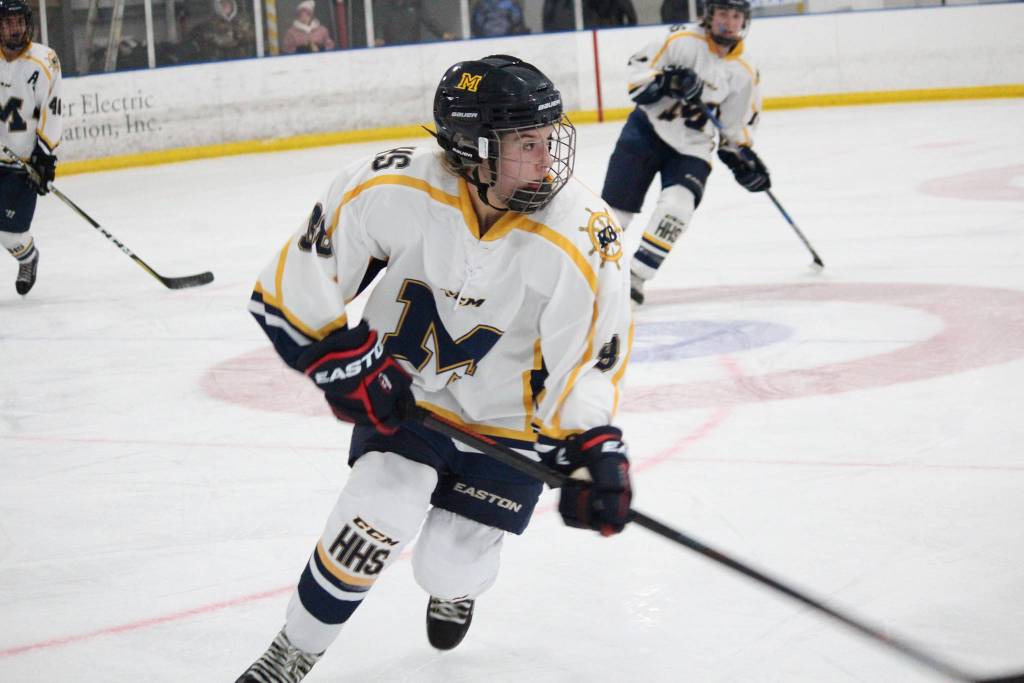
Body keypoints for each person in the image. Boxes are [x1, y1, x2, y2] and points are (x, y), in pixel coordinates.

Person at [235, 54, 634, 682]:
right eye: (526, 143)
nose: (548, 158)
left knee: (445, 563)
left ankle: (457, 585)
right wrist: (346, 364)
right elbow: (295, 284)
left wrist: (590, 447)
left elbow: (585, 361)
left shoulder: (583, 234)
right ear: (473, 149)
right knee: (379, 505)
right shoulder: (390, 187)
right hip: (409, 400)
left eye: (549, 139)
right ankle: (295, 649)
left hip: (507, 424)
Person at [600, 0, 768, 305]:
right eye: (723, 14)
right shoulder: (680, 41)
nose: (728, 22)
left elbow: (734, 127)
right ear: (709, 15)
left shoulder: (745, 71)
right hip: (646, 131)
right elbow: (637, 76)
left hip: (693, 147)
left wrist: (742, 159)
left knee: (677, 208)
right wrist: (666, 82)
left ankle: (636, 277)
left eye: (736, 16)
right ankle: (588, 273)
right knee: (615, 215)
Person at [0, 0, 60, 296]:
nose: (14, 29)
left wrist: (44, 157)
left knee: (9, 233)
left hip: (20, 163)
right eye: (8, 23)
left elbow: (53, 111)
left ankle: (28, 257)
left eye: (19, 22)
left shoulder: (44, 60)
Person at [190, 0, 255, 61]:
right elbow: (206, 42)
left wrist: (240, 35)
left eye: (228, 3)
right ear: (217, 6)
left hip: (242, 60)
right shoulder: (208, 25)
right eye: (222, 3)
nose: (226, 6)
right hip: (217, 62)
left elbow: (252, 38)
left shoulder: (243, 22)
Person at [373, 0, 454, 47]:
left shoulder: (415, 3)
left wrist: (442, 33)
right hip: (392, 48)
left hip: (413, 47)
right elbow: (380, 23)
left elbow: (429, 21)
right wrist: (379, 38)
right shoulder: (384, 4)